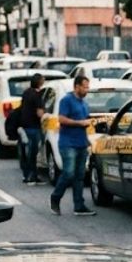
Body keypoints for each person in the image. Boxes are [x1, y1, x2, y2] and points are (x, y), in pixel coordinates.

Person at [50, 75, 96, 216]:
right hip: (67, 143)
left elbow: (85, 121)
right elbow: (61, 119)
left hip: (81, 143)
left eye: (88, 87)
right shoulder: (67, 100)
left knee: (80, 176)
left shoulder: (84, 103)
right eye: (85, 87)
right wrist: (79, 123)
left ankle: (79, 205)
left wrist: (89, 126)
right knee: (68, 173)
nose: (87, 90)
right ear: (77, 86)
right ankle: (55, 197)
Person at [18, 73, 45, 185]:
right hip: (34, 126)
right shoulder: (37, 95)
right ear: (39, 82)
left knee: (26, 152)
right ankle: (31, 175)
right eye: (43, 80)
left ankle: (27, 175)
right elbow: (39, 113)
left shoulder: (26, 93)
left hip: (24, 126)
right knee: (33, 153)